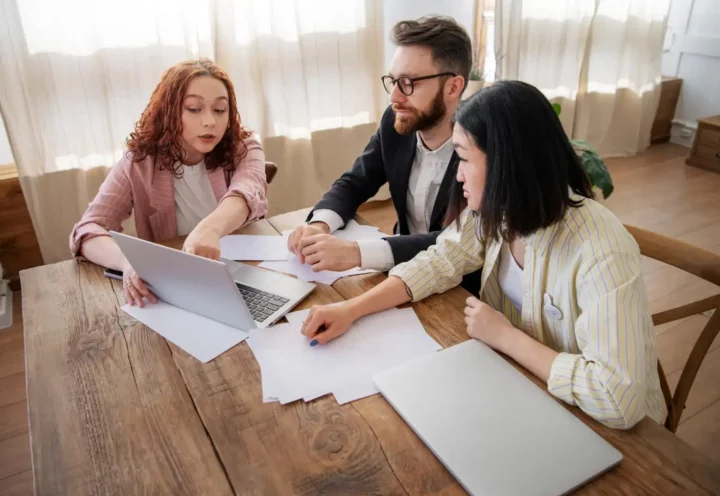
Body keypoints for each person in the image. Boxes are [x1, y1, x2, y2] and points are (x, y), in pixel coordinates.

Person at [300, 81, 665, 430]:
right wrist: (351, 310)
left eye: (462, 158)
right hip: (521, 388)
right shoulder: (497, 211)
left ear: (508, 163)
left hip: (608, 428)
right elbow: (439, 261)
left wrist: (506, 337)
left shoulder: (601, 247)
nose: (457, 175)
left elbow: (618, 398)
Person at [287, 16, 481, 294]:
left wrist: (357, 253)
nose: (394, 97)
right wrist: (319, 225)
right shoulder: (396, 122)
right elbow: (355, 182)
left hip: (459, 288)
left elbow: (458, 243)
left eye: (409, 82)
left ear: (453, 87)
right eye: (393, 81)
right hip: (398, 273)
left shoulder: (480, 147)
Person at [70, 58, 267, 308]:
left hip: (245, 274)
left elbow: (247, 192)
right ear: (169, 111)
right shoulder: (140, 162)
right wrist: (128, 262)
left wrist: (210, 230)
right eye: (194, 109)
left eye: (220, 110)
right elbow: (87, 231)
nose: (210, 122)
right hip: (177, 287)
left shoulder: (245, 148)